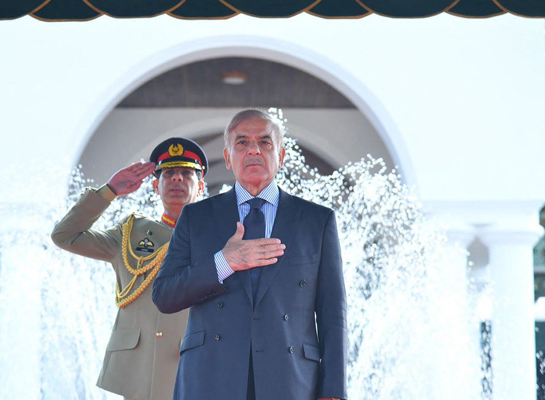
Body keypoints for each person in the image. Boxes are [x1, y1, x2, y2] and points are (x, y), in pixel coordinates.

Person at [152, 110, 347, 400]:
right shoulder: (196, 217)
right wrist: (224, 262)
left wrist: (333, 392)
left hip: (291, 380)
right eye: (242, 142)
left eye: (265, 142)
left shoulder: (316, 220)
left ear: (281, 156)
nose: (254, 149)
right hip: (210, 377)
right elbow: (164, 296)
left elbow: (333, 314)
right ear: (228, 157)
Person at [51, 137, 209, 400]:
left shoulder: (219, 236)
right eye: (169, 173)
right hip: (139, 368)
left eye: (186, 173)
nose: (177, 179)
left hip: (194, 365)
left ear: (201, 186)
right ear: (156, 186)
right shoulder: (131, 232)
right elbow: (65, 236)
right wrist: (109, 190)